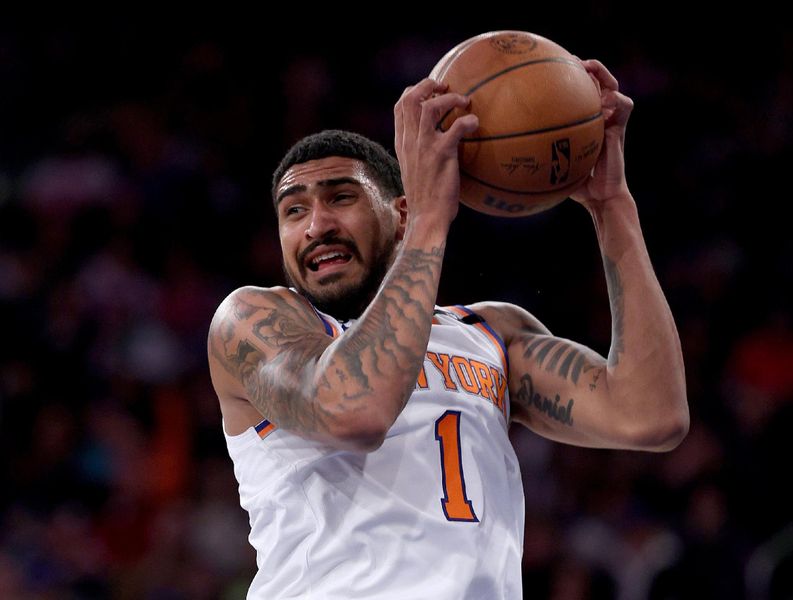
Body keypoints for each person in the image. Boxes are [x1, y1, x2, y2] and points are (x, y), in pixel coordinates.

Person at [207, 58, 689, 599]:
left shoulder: (491, 333)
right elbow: (355, 411)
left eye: (342, 198)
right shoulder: (252, 323)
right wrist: (434, 220)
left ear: (401, 215)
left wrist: (611, 205)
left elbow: (651, 416)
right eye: (294, 211)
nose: (317, 225)